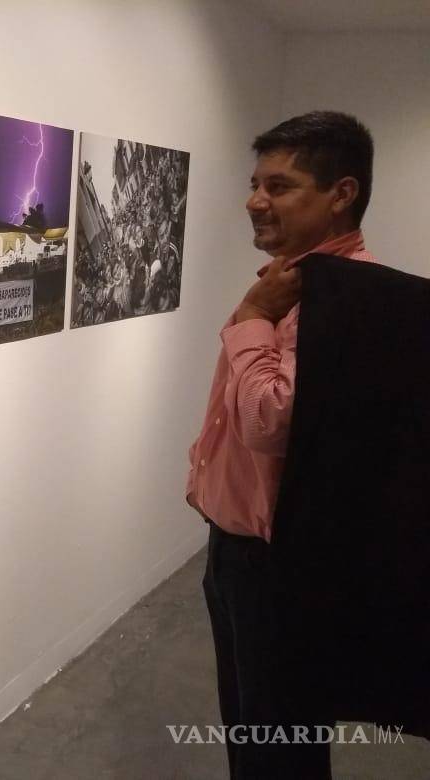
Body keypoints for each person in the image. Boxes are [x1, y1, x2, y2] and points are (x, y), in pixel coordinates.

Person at [187, 111, 377, 779]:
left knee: (279, 745)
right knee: (252, 731)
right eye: (254, 183)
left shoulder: (342, 299)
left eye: (279, 185)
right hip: (237, 548)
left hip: (281, 565)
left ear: (341, 194)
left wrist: (252, 320)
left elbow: (270, 420)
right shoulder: (290, 284)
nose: (254, 201)